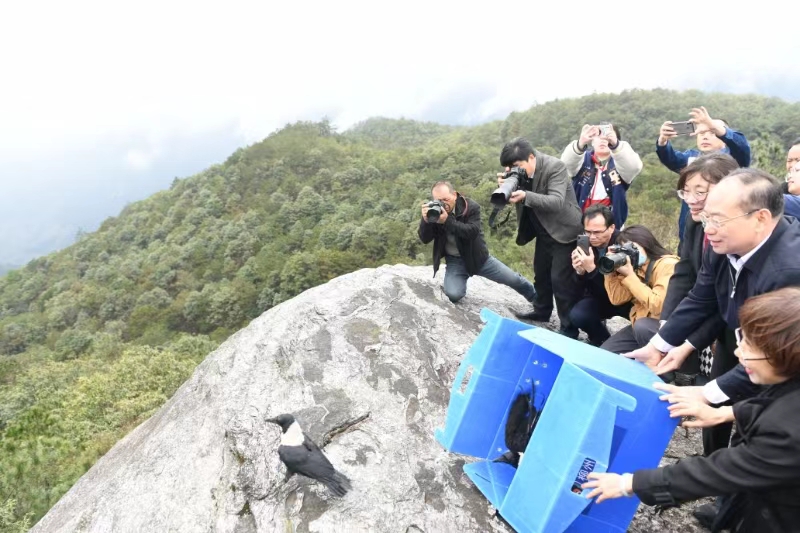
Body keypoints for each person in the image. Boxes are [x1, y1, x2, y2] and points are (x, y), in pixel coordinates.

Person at [583, 287, 800, 533]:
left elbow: (720, 471)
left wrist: (630, 483)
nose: (738, 353)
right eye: (742, 340)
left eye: (751, 347)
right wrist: (728, 413)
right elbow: (773, 404)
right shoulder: (789, 382)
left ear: (785, 352)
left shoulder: (788, 436)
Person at [625, 169, 800, 462]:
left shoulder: (788, 272)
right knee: (722, 417)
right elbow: (701, 297)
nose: (708, 229)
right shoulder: (723, 242)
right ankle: (721, 486)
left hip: (782, 364)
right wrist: (658, 346)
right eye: (707, 218)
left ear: (760, 218)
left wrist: (707, 393)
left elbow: (775, 357)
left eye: (718, 220)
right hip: (740, 341)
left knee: (758, 429)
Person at [660, 154, 740, 383]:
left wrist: (687, 342)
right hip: (713, 311)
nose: (691, 199)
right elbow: (684, 273)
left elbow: (721, 297)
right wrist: (667, 323)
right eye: (686, 191)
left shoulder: (737, 236)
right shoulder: (694, 222)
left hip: (743, 323)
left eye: (700, 191)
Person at [497, 138, 584, 337]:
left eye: (516, 166)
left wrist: (525, 196)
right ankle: (542, 311)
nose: (513, 170)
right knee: (541, 274)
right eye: (509, 168)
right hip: (543, 230)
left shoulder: (555, 167)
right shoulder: (520, 171)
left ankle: (569, 328)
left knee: (560, 280)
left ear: (531, 157)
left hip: (565, 231)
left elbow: (556, 201)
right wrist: (507, 186)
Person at [418, 181, 537, 305]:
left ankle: (537, 299)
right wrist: (426, 221)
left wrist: (447, 221)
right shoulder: (434, 211)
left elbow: (471, 232)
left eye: (446, 199)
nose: (443, 203)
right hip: (455, 261)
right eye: (439, 200)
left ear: (454, 194)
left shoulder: (470, 207)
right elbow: (424, 239)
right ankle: (459, 281)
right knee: (453, 294)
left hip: (478, 258)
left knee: (513, 279)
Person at [656, 106, 751, 249]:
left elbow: (742, 146)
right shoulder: (691, 158)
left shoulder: (732, 159)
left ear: (723, 137)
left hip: (720, 232)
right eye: (701, 133)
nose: (705, 136)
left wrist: (714, 125)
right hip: (690, 233)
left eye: (712, 132)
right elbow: (671, 159)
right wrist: (663, 141)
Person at [597, 226, 679, 354]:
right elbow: (617, 299)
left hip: (667, 331)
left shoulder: (668, 264)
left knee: (642, 326)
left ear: (646, 244)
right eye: (624, 250)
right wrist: (611, 272)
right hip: (640, 327)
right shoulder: (635, 267)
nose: (629, 254)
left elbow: (657, 306)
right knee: (606, 353)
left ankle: (664, 371)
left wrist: (630, 276)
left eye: (632, 248)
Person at [568, 205, 632, 346]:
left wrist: (592, 269)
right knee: (579, 315)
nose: (592, 237)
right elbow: (577, 290)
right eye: (588, 232)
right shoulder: (585, 245)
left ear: (611, 228)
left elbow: (621, 290)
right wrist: (580, 272)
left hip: (626, 298)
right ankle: (602, 340)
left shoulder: (624, 244)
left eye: (597, 232)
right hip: (601, 297)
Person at [561, 123, 643, 229]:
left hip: (611, 228)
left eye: (608, 135)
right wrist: (580, 143)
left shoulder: (620, 163)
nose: (603, 139)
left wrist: (616, 146)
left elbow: (634, 167)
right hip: (579, 227)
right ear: (593, 141)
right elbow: (565, 165)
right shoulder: (581, 159)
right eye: (598, 135)